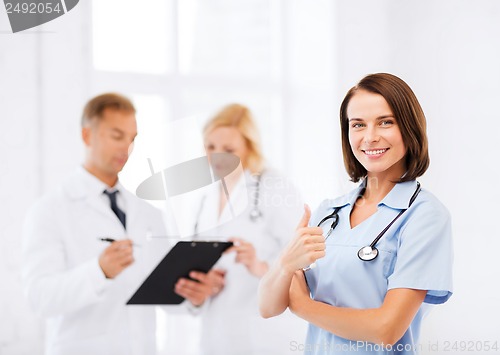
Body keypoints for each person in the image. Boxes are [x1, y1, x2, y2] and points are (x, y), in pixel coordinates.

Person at [259, 73, 453, 354]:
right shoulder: (329, 212)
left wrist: (303, 305)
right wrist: (285, 263)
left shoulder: (425, 216)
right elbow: (267, 306)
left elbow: (386, 329)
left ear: (409, 128)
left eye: (386, 122)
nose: (370, 137)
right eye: (358, 125)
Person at [22, 93, 168, 355]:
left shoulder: (148, 213)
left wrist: (192, 291)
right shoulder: (49, 210)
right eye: (116, 135)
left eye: (132, 138)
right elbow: (39, 298)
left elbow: (162, 291)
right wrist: (99, 271)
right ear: (87, 135)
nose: (126, 148)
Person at [173, 103, 308, 355]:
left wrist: (260, 266)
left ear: (249, 146)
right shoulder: (206, 198)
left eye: (229, 149)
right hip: (216, 332)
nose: (217, 156)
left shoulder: (274, 187)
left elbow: (306, 261)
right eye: (210, 147)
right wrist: (203, 283)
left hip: (265, 334)